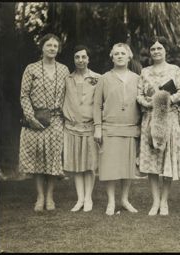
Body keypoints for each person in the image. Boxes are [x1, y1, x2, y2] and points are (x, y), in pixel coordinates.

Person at [19, 33, 69, 212]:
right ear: (42, 47)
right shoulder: (31, 69)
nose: (52, 48)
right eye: (49, 45)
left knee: (53, 158)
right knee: (38, 158)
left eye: (55, 46)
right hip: (36, 119)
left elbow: (68, 95)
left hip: (56, 120)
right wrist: (31, 118)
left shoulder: (63, 70)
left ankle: (50, 197)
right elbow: (24, 95)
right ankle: (40, 197)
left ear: (59, 49)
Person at [137, 36, 180, 216]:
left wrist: (164, 99)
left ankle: (164, 202)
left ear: (165, 50)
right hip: (150, 119)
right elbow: (139, 96)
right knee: (152, 162)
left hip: (168, 119)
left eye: (159, 48)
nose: (156, 51)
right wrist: (149, 102)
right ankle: (155, 201)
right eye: (153, 49)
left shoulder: (174, 70)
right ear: (150, 52)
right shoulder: (144, 72)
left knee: (166, 162)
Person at [93, 43, 140, 216]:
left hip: (130, 128)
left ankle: (125, 199)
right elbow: (97, 105)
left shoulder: (137, 78)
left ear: (129, 57)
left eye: (123, 53)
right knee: (110, 167)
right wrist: (97, 128)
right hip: (110, 128)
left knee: (127, 168)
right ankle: (111, 201)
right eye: (116, 54)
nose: (120, 56)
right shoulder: (104, 78)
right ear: (111, 57)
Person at [63, 45, 100, 212]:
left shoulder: (98, 78)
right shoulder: (67, 79)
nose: (80, 60)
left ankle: (88, 198)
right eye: (77, 57)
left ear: (88, 59)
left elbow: (102, 103)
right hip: (71, 127)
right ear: (74, 59)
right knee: (77, 165)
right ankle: (79, 199)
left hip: (90, 127)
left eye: (83, 57)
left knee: (89, 165)